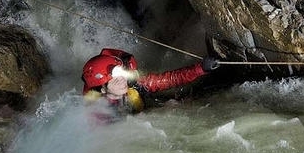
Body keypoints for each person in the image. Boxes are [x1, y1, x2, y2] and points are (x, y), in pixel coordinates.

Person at [81, 48, 219, 119]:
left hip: (140, 113)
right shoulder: (98, 113)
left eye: (121, 75)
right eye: (116, 80)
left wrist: (201, 68)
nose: (122, 81)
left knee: (180, 103)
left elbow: (170, 79)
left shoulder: (135, 85)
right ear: (103, 90)